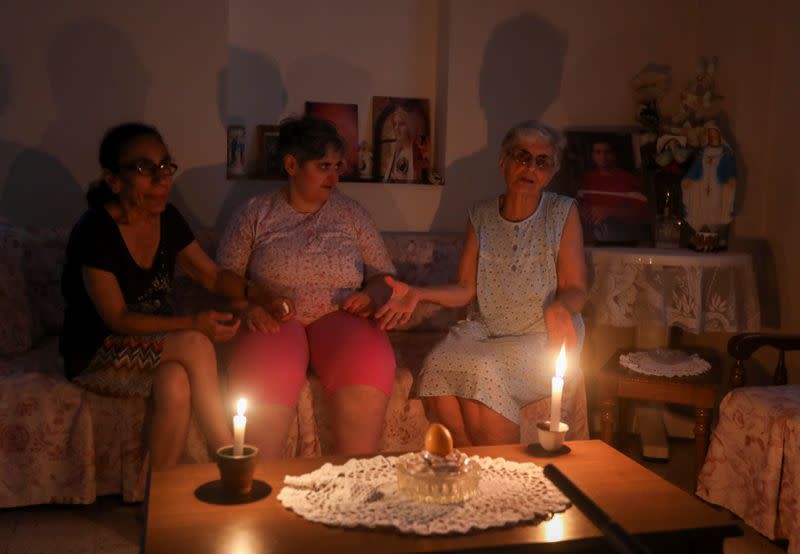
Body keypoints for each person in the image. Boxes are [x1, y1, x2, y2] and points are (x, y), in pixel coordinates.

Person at [60, 122, 274, 470]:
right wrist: (194, 324)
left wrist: (256, 293)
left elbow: (213, 276)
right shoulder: (95, 231)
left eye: (165, 166)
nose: (161, 179)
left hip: (152, 347)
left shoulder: (167, 219)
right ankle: (230, 456)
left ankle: (158, 495)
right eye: (145, 169)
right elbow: (117, 318)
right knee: (195, 344)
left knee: (175, 383)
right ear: (114, 180)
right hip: (98, 349)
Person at [376, 121, 587, 446]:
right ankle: (473, 467)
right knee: (439, 364)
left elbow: (576, 286)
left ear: (551, 172)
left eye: (542, 161)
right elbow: (465, 288)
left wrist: (561, 308)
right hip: (486, 330)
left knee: (484, 371)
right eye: (522, 157)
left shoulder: (562, 212)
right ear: (503, 162)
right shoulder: (481, 215)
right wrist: (419, 293)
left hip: (541, 334)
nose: (531, 168)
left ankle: (503, 475)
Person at [216, 115, 397, 458]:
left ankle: (355, 487)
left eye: (337, 166)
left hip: (341, 317)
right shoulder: (256, 213)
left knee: (366, 363)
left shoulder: (352, 214)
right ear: (291, 165)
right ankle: (260, 488)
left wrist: (371, 296)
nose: (334, 176)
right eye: (323, 166)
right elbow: (225, 277)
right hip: (277, 319)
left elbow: (383, 277)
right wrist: (249, 307)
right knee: (267, 371)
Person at [576, 139, 649, 242]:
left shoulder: (628, 179)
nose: (603, 157)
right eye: (598, 152)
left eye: (607, 152)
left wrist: (610, 211)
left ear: (614, 154)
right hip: (590, 238)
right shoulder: (587, 179)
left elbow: (643, 213)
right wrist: (582, 211)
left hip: (621, 237)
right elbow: (579, 204)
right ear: (593, 156)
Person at [681, 121, 736, 242]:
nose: (712, 137)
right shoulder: (703, 151)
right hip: (702, 185)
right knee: (702, 205)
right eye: (709, 135)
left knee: (715, 204)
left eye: (714, 134)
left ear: (718, 135)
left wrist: (730, 178)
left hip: (717, 185)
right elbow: (696, 167)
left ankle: (714, 230)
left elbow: (730, 167)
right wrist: (689, 179)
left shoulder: (725, 152)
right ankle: (702, 231)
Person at [381, 106, 424, 183]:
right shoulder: (397, 151)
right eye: (395, 124)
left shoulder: (415, 152)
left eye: (401, 124)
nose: (396, 128)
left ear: (409, 126)